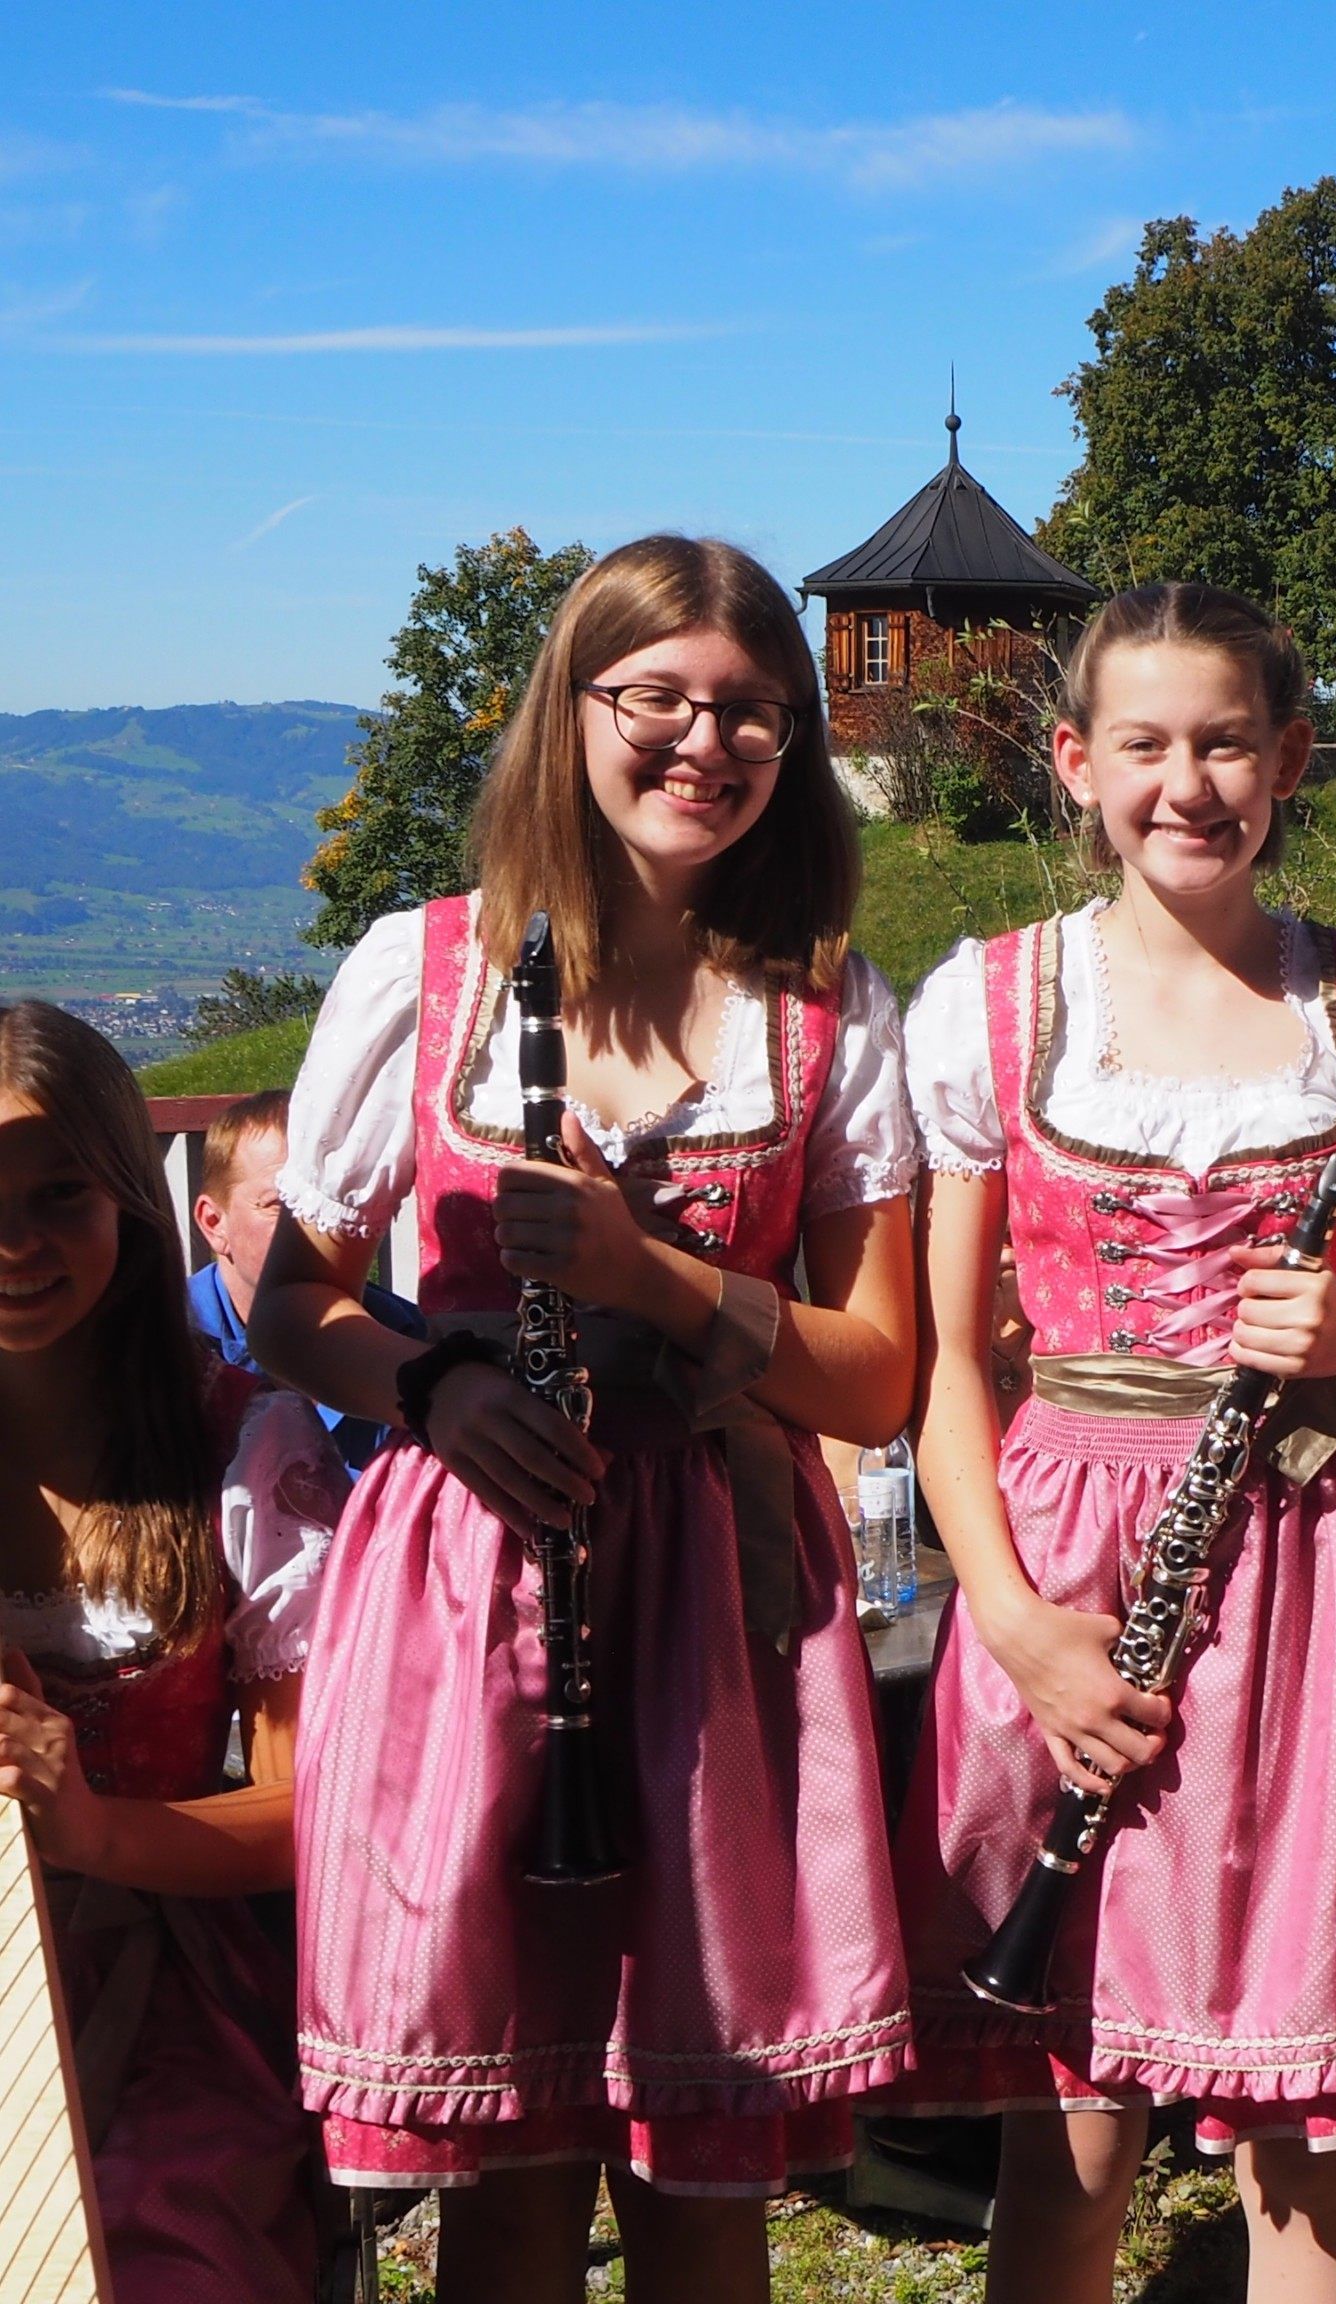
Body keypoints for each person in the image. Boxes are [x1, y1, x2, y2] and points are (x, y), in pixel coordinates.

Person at [248, 536, 920, 2304]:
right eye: (663, 701)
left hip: (717, 1597)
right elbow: (289, 1301)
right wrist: (436, 1381)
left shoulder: (827, 1004)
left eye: (756, 711)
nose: (709, 743)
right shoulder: (428, 969)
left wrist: (654, 1277)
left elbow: (878, 1371)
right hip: (479, 1576)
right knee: (513, 2159)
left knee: (707, 2162)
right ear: (577, 708)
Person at [889, 581, 1336, 2304]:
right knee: (1065, 2129)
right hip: (1062, 1561)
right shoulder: (991, 1002)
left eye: (1225, 741)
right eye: (1144, 743)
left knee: (1302, 2115)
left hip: (1302, 1569)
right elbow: (944, 1364)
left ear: (1283, 760)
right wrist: (1010, 1618)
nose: (1186, 781)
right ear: (1076, 762)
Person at [0, 999, 349, 2303]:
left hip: (169, 1981)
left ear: (130, 1210)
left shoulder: (241, 1449)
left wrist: (87, 1828)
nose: (15, 1242)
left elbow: (306, 1806)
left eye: (59, 1196)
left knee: (153, 2246)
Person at [185, 1088, 423, 1470]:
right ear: (214, 1224)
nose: (315, 1225)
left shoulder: (407, 1338)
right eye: (280, 1204)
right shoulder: (165, 1352)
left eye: (332, 1201)